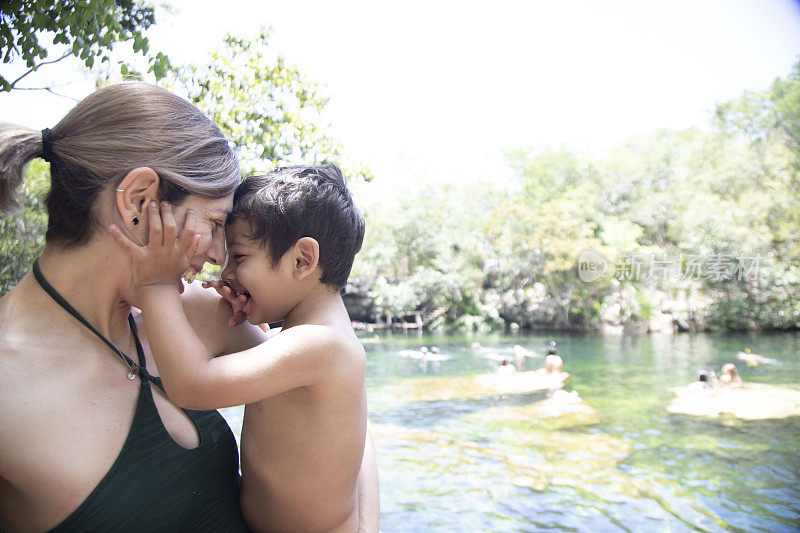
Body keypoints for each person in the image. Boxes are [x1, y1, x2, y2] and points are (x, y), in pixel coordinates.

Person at [0, 83, 378, 532]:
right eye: (216, 223)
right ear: (138, 202)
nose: (220, 256)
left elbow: (336, 408)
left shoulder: (201, 316)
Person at [110, 165, 369, 532]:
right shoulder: (307, 340)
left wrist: (157, 286)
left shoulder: (322, 344)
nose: (226, 272)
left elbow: (191, 385)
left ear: (302, 260)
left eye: (241, 258)